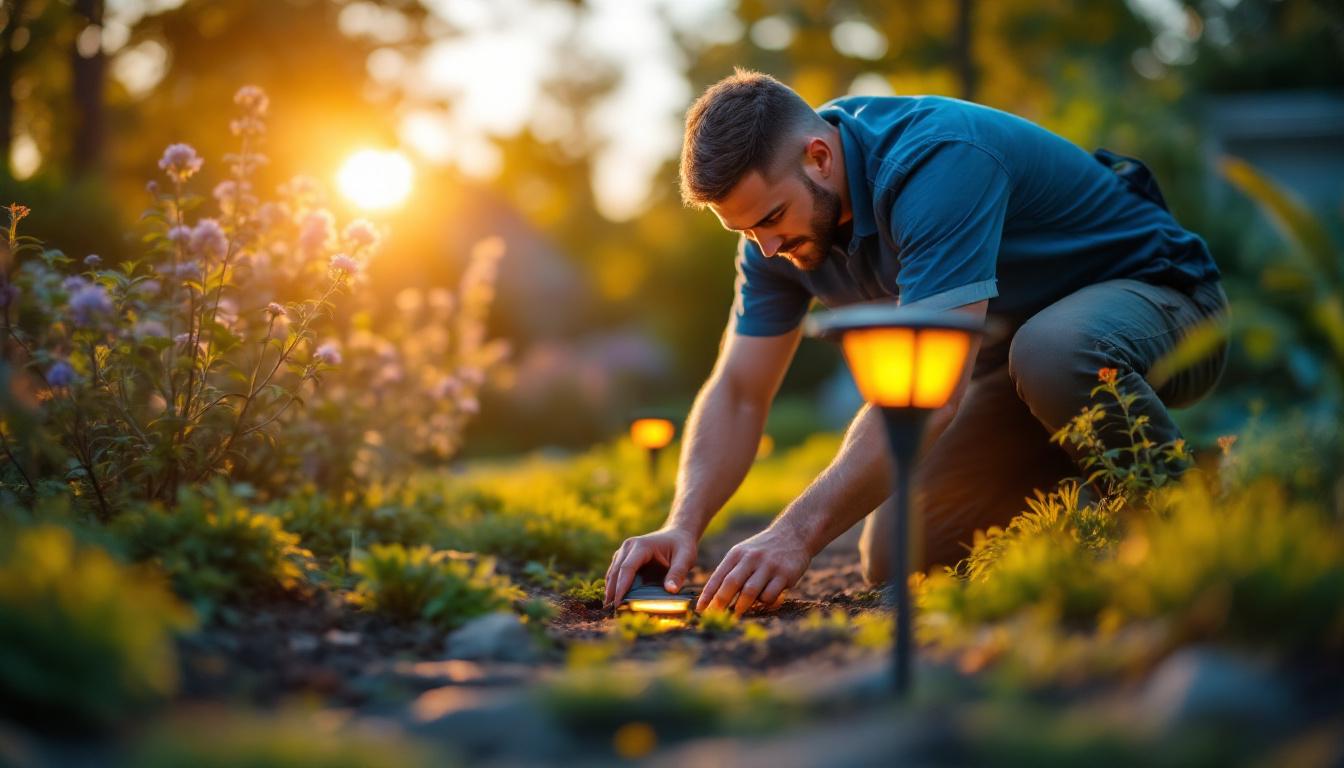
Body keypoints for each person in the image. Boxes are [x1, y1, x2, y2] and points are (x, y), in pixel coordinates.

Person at [603, 69, 1227, 618]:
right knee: (902, 550)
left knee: (1051, 352)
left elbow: (928, 391)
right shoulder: (773, 236)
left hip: (1164, 307)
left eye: (769, 218)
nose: (767, 247)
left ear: (819, 157)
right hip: (1010, 370)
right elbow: (739, 391)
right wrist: (681, 524)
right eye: (744, 230)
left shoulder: (935, 161)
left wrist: (792, 535)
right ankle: (1096, 489)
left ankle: (1195, 537)